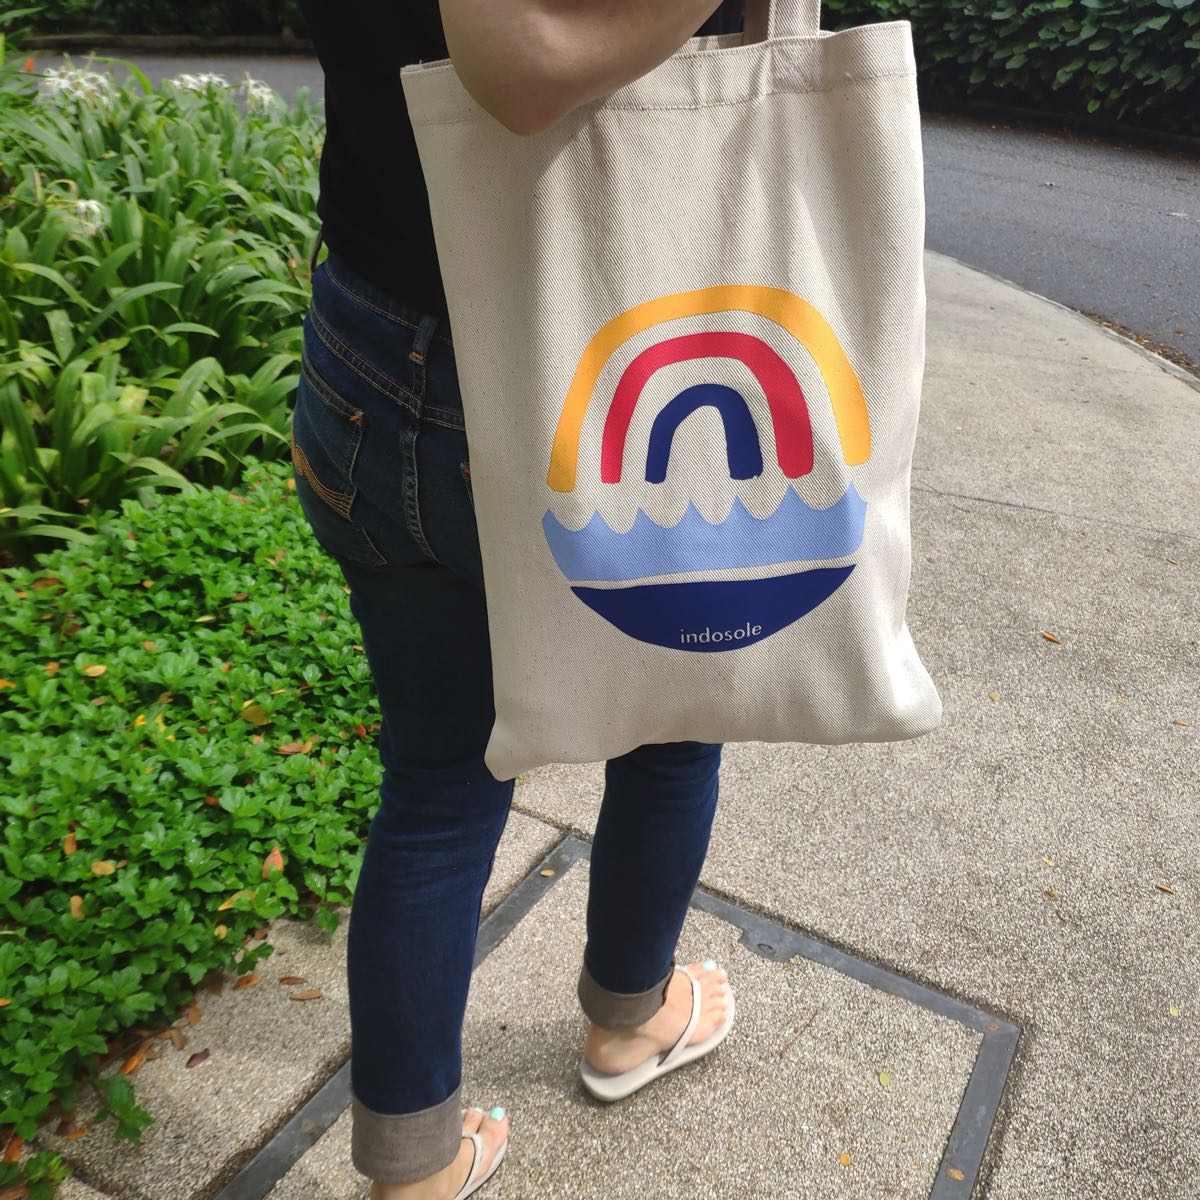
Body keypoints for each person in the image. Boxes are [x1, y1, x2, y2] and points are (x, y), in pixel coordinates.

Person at [293, 2, 745, 1196]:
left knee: (437, 787)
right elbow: (522, 62)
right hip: (609, 358)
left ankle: (413, 1162)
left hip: (373, 336)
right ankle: (628, 1019)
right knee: (667, 723)